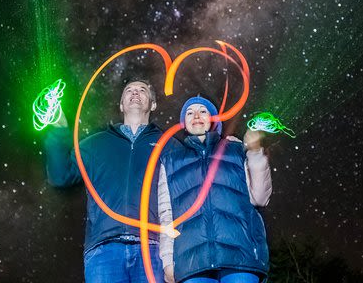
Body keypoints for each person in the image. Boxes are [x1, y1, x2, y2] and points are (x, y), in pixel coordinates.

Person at [44, 79, 166, 283]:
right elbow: (60, 176)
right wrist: (58, 132)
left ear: (152, 104)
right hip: (104, 249)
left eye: (142, 90)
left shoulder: (167, 144)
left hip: (152, 249)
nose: (135, 93)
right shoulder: (96, 144)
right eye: (129, 90)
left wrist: (227, 144)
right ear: (121, 104)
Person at [158, 96, 272, 283]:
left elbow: (260, 197)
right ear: (184, 123)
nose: (196, 115)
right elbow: (166, 215)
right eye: (189, 112)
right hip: (192, 264)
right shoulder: (171, 161)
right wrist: (168, 262)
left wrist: (255, 152)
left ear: (213, 120)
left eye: (203, 111)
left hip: (240, 257)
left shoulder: (235, 149)